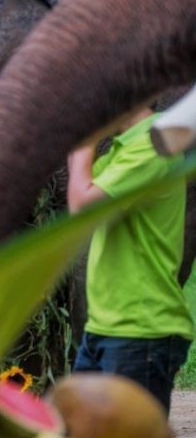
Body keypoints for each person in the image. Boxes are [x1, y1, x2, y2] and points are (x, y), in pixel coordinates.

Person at [68, 107, 191, 412]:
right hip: (105, 329)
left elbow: (82, 207)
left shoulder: (152, 148)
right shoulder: (124, 150)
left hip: (140, 333)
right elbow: (81, 187)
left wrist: (83, 144)